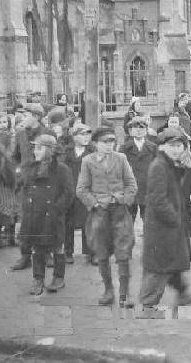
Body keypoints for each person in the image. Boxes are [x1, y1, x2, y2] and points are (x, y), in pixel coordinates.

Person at [137, 128, 191, 318]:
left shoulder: (169, 164)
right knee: (158, 268)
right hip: (162, 227)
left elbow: (181, 187)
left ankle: (183, 294)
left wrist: (188, 168)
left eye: (180, 145)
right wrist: (174, 219)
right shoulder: (159, 166)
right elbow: (158, 200)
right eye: (172, 146)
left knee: (174, 262)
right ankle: (147, 307)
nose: (176, 149)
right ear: (162, 147)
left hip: (171, 225)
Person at [76, 126, 138, 308]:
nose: (109, 145)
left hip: (120, 212)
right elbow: (81, 189)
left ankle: (125, 294)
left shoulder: (121, 158)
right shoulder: (87, 161)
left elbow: (131, 184)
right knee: (101, 253)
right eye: (104, 142)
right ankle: (108, 289)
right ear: (95, 143)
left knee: (123, 253)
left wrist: (125, 200)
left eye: (111, 141)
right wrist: (94, 204)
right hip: (99, 214)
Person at [20, 134, 74, 295]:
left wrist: (56, 210)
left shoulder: (62, 169)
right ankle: (38, 279)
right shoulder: (31, 167)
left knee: (57, 247)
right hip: (34, 214)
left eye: (39, 148)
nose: (35, 151)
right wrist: (27, 204)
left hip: (53, 216)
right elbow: (26, 188)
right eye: (35, 147)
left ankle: (59, 277)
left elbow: (69, 193)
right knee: (37, 248)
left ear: (50, 151)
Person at [10, 102, 53, 271]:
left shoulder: (47, 133)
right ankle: (25, 255)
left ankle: (46, 253)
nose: (21, 118)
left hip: (43, 182)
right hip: (26, 184)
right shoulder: (20, 134)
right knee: (26, 219)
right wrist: (18, 172)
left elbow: (56, 157)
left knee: (44, 218)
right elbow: (15, 157)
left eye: (26, 114)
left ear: (36, 117)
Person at [64, 123, 95, 264]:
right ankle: (68, 252)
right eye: (82, 134)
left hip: (86, 192)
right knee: (68, 222)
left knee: (88, 222)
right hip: (69, 191)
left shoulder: (93, 152)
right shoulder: (66, 152)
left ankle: (91, 252)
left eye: (88, 134)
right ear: (74, 136)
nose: (86, 137)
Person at [0, 114, 18, 248]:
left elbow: (15, 154)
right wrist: (1, 172)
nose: (3, 124)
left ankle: (11, 237)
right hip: (0, 176)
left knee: (11, 206)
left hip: (11, 173)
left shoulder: (12, 135)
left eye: (5, 121)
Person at [120, 116, 157, 223]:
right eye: (135, 128)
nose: (139, 131)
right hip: (130, 191)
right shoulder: (124, 149)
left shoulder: (153, 148)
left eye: (142, 128)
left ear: (146, 131)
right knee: (127, 223)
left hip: (148, 190)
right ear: (131, 131)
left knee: (149, 222)